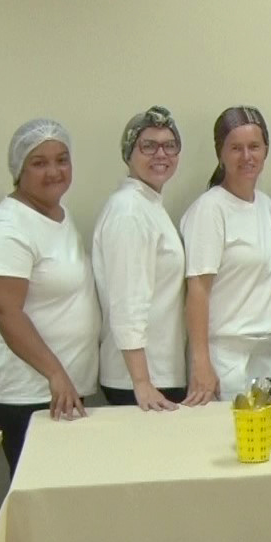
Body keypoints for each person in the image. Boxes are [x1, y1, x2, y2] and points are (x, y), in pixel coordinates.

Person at [0, 119, 99, 542]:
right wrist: (54, 372)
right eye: (39, 162)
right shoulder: (9, 227)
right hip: (23, 389)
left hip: (54, 387)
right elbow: (4, 308)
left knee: (45, 497)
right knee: (32, 501)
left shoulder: (55, 215)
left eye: (61, 159)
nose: (54, 171)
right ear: (18, 169)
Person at [181, 106, 271, 403]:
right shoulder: (210, 210)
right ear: (221, 154)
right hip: (228, 356)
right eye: (235, 148)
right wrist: (201, 361)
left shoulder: (268, 206)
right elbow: (198, 289)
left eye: (254, 147)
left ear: (266, 150)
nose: (246, 157)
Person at [92, 107, 188, 411]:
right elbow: (127, 301)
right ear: (128, 153)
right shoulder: (129, 211)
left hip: (157, 371)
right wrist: (142, 383)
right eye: (148, 145)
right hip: (139, 379)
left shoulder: (149, 205)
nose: (161, 153)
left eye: (169, 145)